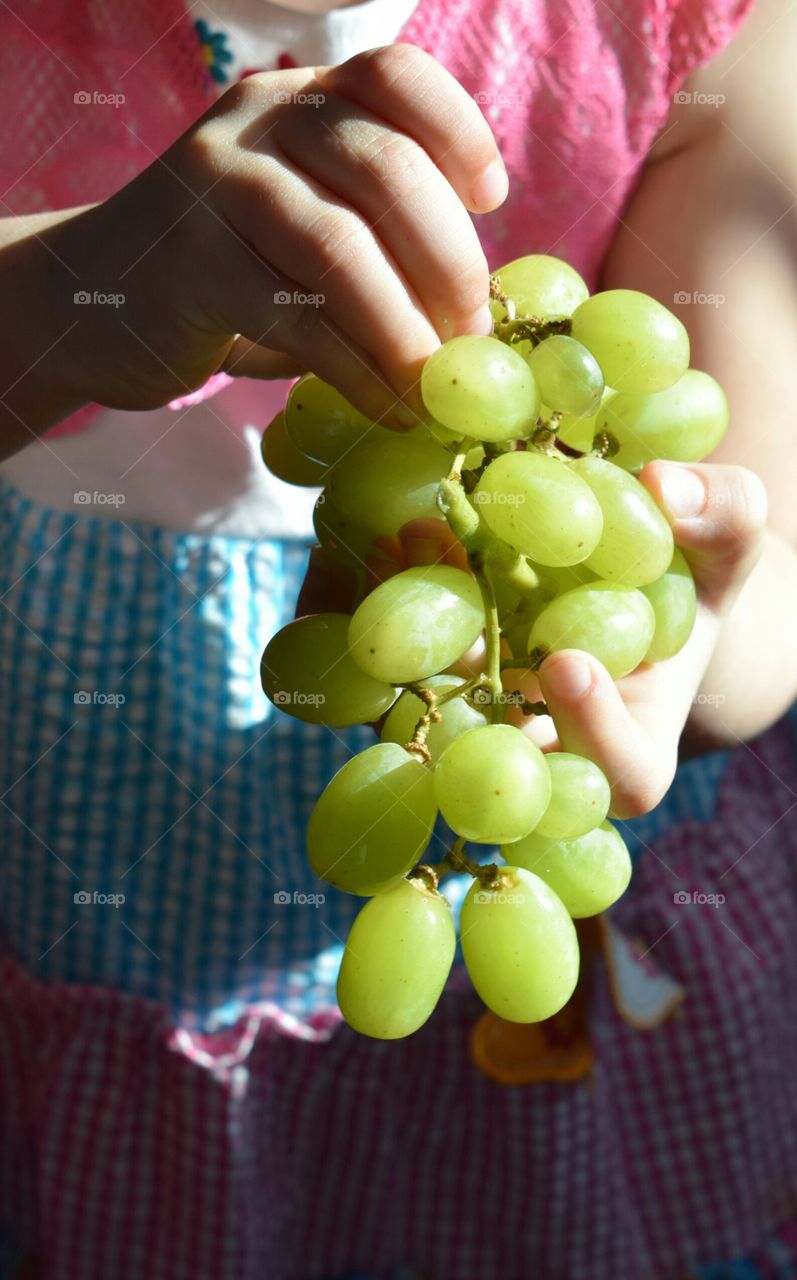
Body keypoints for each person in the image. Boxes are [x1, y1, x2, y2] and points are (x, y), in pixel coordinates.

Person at [0, 0, 796, 1276]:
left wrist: (693, 633)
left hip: (555, 965)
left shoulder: (691, 39)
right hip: (94, 923)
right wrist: (57, 291)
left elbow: (768, 596)